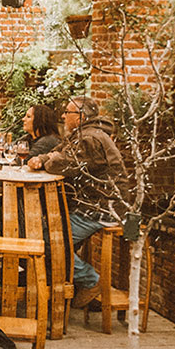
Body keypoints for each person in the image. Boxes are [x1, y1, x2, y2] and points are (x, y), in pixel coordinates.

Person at [37, 96, 123, 309]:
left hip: (103, 208)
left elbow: (64, 165)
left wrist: (44, 160)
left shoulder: (89, 138)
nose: (64, 116)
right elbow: (58, 152)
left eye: (68, 112)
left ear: (81, 117)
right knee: (54, 235)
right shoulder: (84, 134)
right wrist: (48, 157)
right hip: (93, 204)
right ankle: (63, 287)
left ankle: (91, 281)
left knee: (48, 239)